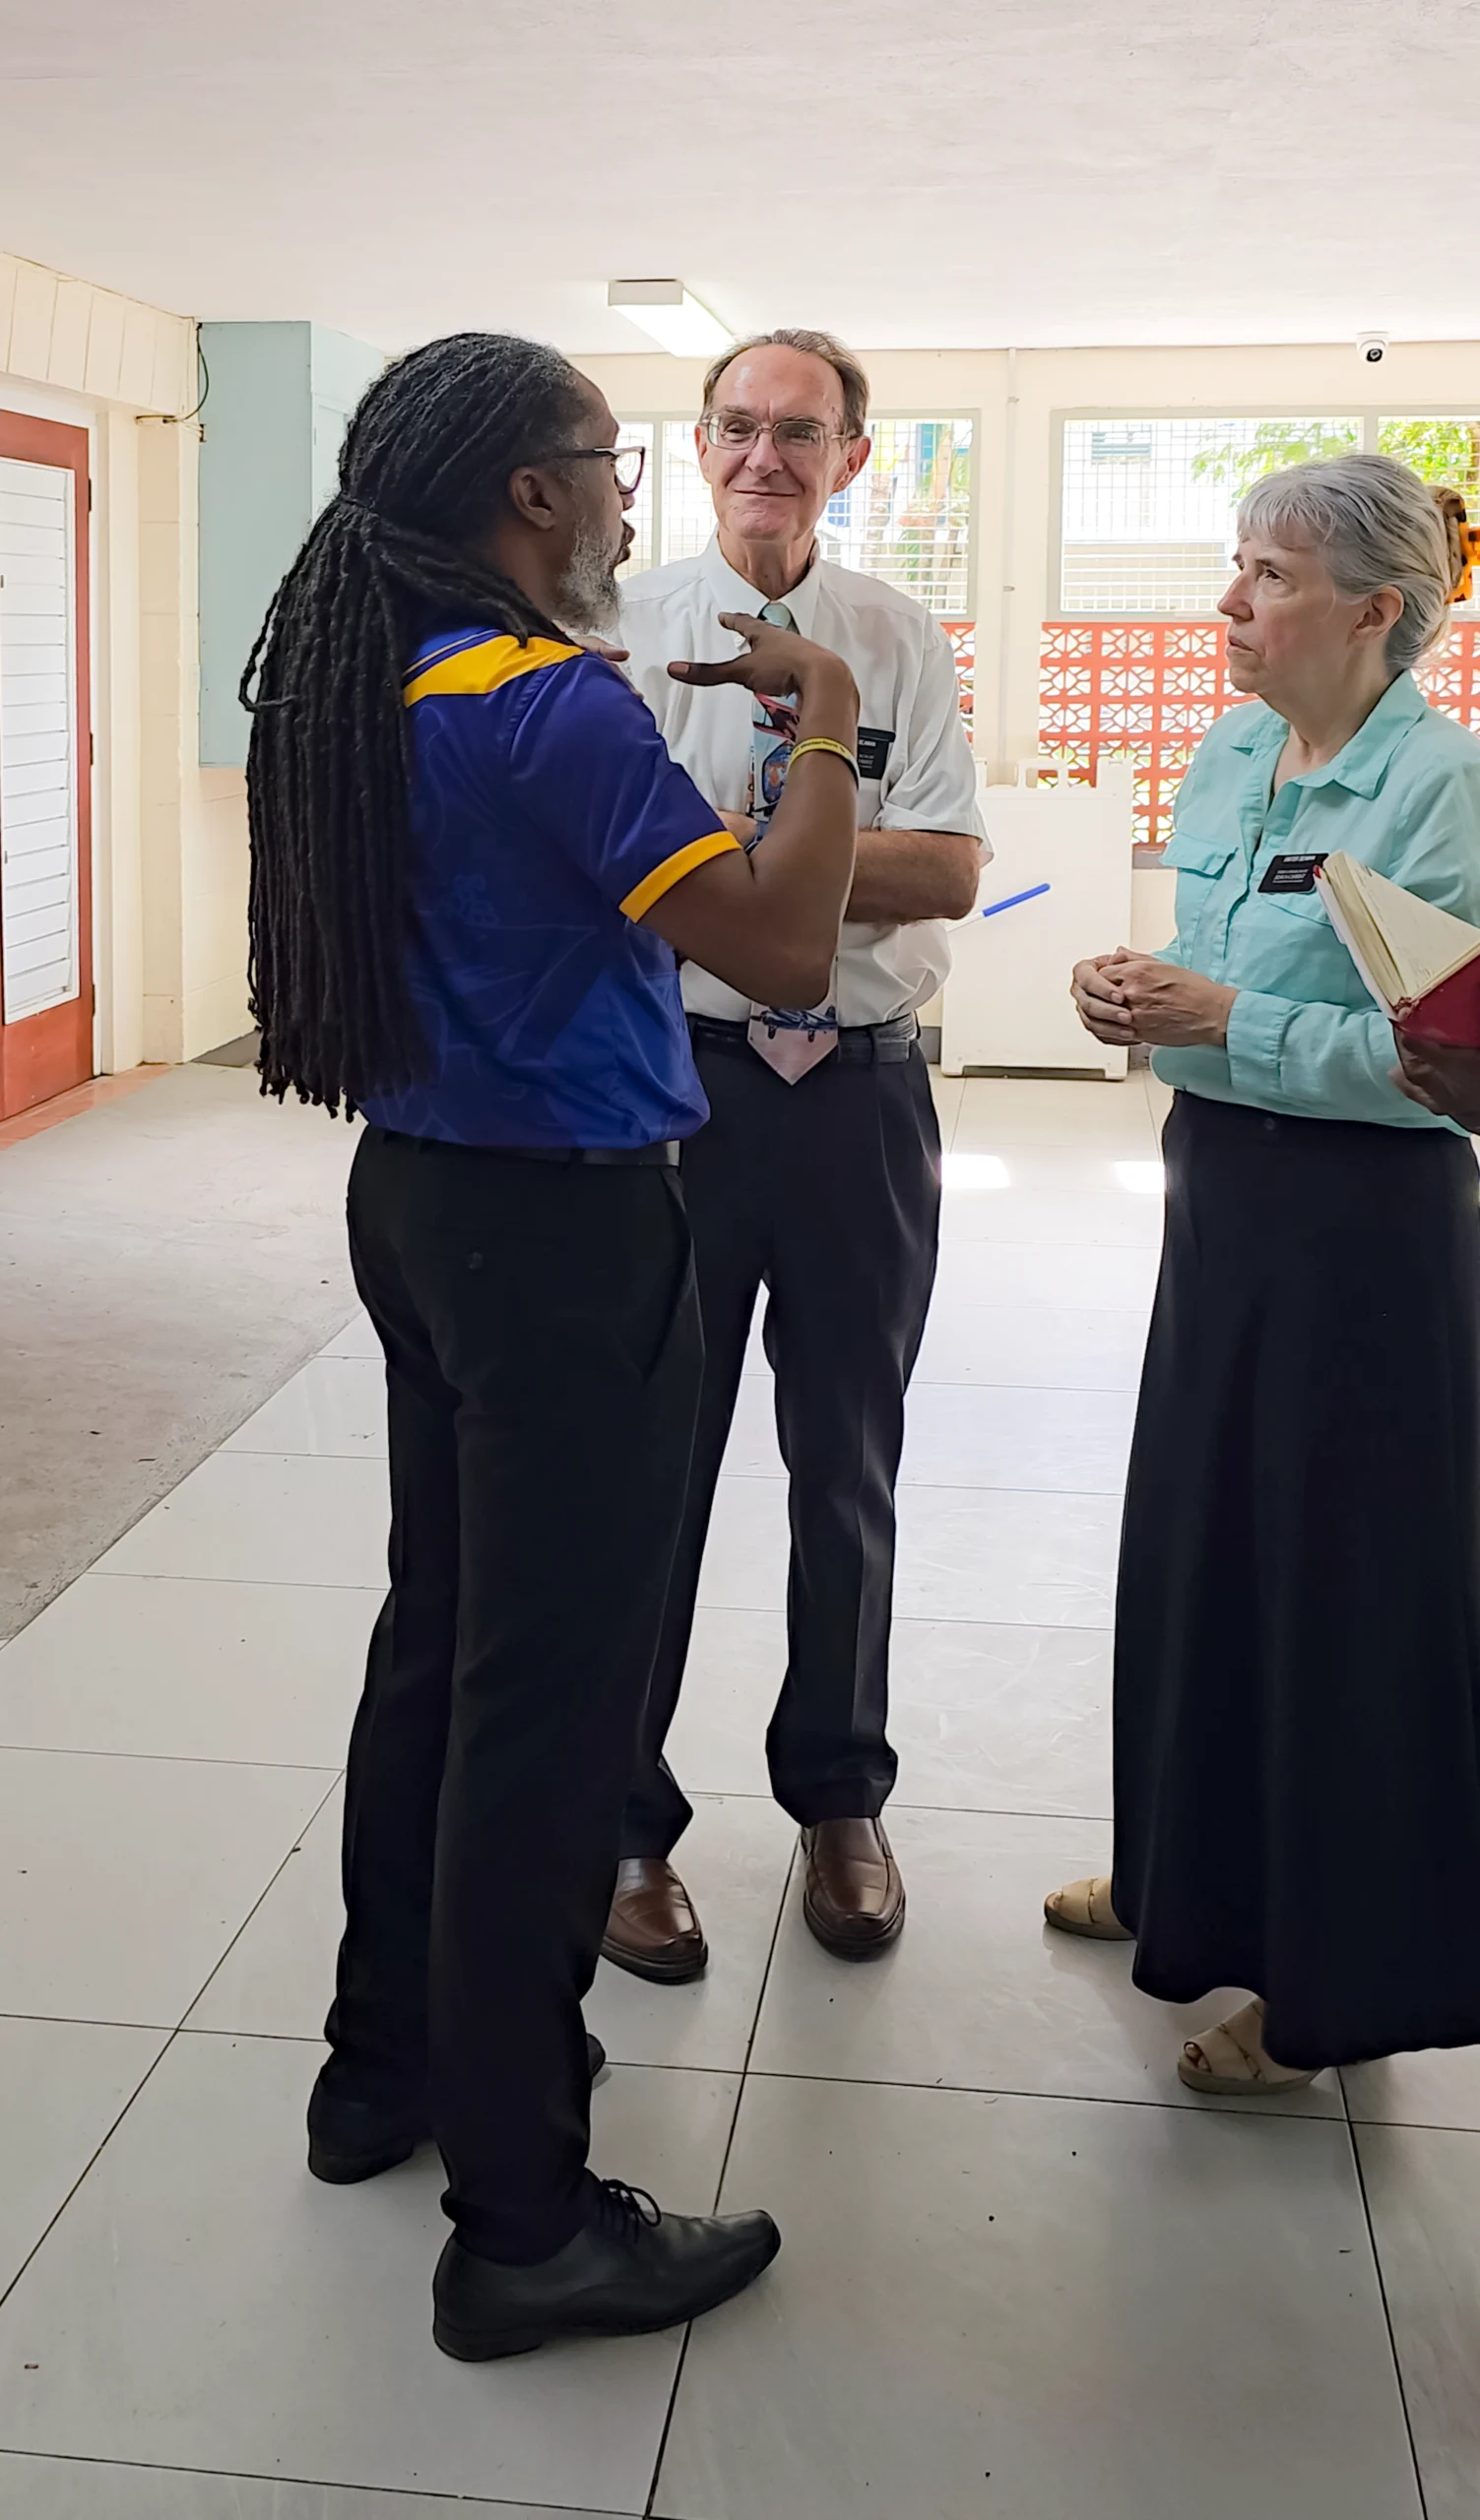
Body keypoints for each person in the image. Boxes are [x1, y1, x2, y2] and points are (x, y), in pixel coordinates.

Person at [242, 331, 862, 2356]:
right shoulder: (550, 706)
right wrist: (829, 730)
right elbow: (778, 947)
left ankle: (386, 2067)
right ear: (529, 495)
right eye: (610, 464)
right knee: (550, 1702)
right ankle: (524, 2212)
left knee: (441, 1643)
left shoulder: (380, 686)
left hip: (422, 1206)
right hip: (576, 1235)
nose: (633, 500)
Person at [1045, 452, 1480, 2093]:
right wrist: (1140, 989)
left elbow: (1438, 1055)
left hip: (1365, 1229)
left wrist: (1235, 1022)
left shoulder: (1442, 791)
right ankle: (1185, 1884)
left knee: (1338, 1601)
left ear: (1375, 612)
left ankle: (1327, 1992)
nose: (1228, 604)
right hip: (1217, 1192)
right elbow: (1221, 965)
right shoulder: (1234, 752)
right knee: (1200, 1552)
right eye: (1233, 567)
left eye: (1269, 577)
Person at [604, 331, 985, 1983]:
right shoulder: (617, 635)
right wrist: (816, 862)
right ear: (697, 448)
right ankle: (623, 1824)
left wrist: (752, 872)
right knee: (651, 1475)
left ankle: (839, 1795)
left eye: (802, 432)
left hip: (863, 1096)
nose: (768, 453)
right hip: (678, 1097)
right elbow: (616, 875)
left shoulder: (895, 639)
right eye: (739, 427)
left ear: (853, 459)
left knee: (847, 1463)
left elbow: (954, 871)